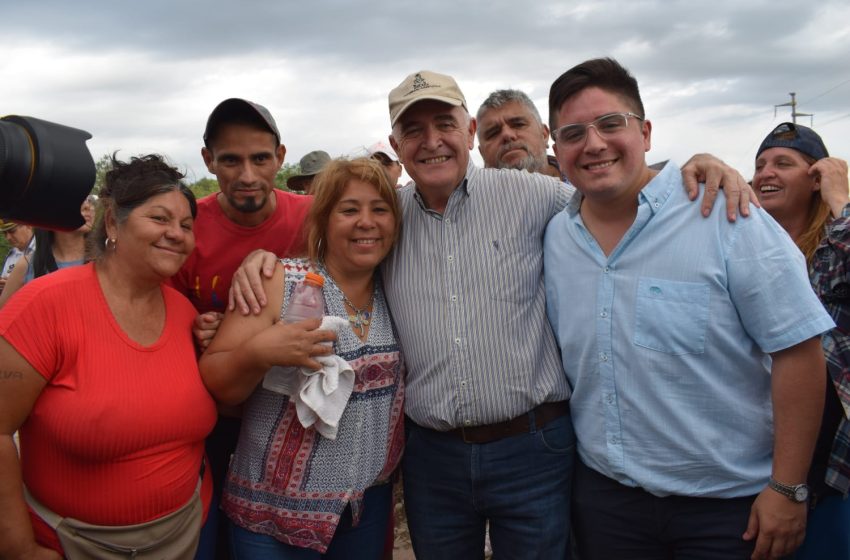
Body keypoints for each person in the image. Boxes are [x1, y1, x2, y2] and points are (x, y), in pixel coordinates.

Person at [230, 69, 755, 559]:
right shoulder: (389, 218)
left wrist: (696, 167)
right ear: (396, 146)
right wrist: (261, 262)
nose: (431, 140)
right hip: (433, 457)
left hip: (534, 447)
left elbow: (615, 187)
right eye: (413, 130)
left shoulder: (535, 195)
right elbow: (333, 243)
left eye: (444, 124)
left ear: (469, 130)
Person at [544, 57, 833, 560]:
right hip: (605, 504)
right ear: (556, 148)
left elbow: (800, 351)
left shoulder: (726, 215)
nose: (593, 144)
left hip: (727, 512)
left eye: (611, 124)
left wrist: (788, 488)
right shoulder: (554, 237)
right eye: (572, 133)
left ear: (647, 132)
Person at [0, 154, 217, 559]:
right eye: (160, 218)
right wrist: (16, 546)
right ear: (113, 221)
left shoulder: (185, 313)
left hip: (187, 533)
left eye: (186, 225)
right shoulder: (44, 305)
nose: (177, 234)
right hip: (72, 544)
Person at [199, 157, 404, 559]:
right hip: (270, 517)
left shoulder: (396, 288)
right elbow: (216, 382)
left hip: (364, 508)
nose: (366, 222)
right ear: (324, 219)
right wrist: (259, 352)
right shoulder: (279, 280)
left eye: (379, 209)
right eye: (349, 210)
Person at [171, 98, 313, 559]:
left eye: (260, 159)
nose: (247, 175)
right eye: (231, 160)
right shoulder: (187, 228)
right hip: (212, 423)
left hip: (292, 423)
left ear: (281, 157)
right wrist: (190, 327)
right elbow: (159, 312)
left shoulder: (310, 219)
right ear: (208, 160)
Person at [752, 122, 850, 559]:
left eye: (783, 163)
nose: (765, 173)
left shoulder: (831, 251)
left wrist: (840, 199)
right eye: (759, 165)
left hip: (830, 471)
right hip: (756, 460)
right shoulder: (746, 247)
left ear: (815, 179)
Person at [0, 197, 94, 308]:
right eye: (76, 196)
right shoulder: (27, 266)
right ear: (49, 209)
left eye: (89, 199)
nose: (87, 206)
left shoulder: (105, 261)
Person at [476, 88, 562, 177]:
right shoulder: (471, 190)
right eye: (493, 133)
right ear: (482, 153)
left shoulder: (576, 180)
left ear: (544, 134)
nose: (507, 134)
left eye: (518, 124)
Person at [0, 221, 35, 293]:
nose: (8, 237)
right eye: (5, 233)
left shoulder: (44, 251)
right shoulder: (12, 254)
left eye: (12, 231)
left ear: (28, 226)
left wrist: (13, 286)